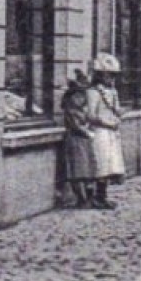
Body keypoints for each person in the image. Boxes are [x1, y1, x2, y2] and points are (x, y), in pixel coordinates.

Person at [75, 54, 128, 209]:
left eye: (113, 75)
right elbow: (90, 115)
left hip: (112, 132)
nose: (111, 79)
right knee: (101, 165)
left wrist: (120, 113)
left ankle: (103, 196)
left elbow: (116, 109)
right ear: (99, 75)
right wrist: (106, 123)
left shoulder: (112, 92)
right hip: (100, 132)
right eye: (108, 75)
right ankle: (97, 197)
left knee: (111, 165)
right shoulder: (93, 92)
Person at [60, 69, 94, 208]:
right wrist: (87, 131)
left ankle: (88, 197)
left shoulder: (82, 108)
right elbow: (75, 125)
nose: (82, 98)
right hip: (76, 140)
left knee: (87, 170)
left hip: (84, 141)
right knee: (77, 170)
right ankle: (81, 199)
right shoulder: (71, 108)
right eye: (79, 94)